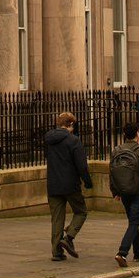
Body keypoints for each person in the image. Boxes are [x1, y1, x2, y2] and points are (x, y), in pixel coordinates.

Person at [44, 111, 93, 260]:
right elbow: (82, 166)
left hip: (53, 183)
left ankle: (56, 253)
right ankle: (69, 237)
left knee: (57, 219)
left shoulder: (48, 139)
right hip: (70, 183)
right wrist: (88, 182)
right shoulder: (74, 141)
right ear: (71, 124)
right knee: (81, 211)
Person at [110, 121, 139, 268]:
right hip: (138, 191)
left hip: (124, 192)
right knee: (134, 222)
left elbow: (111, 173)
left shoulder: (116, 150)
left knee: (132, 220)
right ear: (137, 134)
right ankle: (122, 252)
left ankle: (138, 252)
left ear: (124, 135)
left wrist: (115, 192)